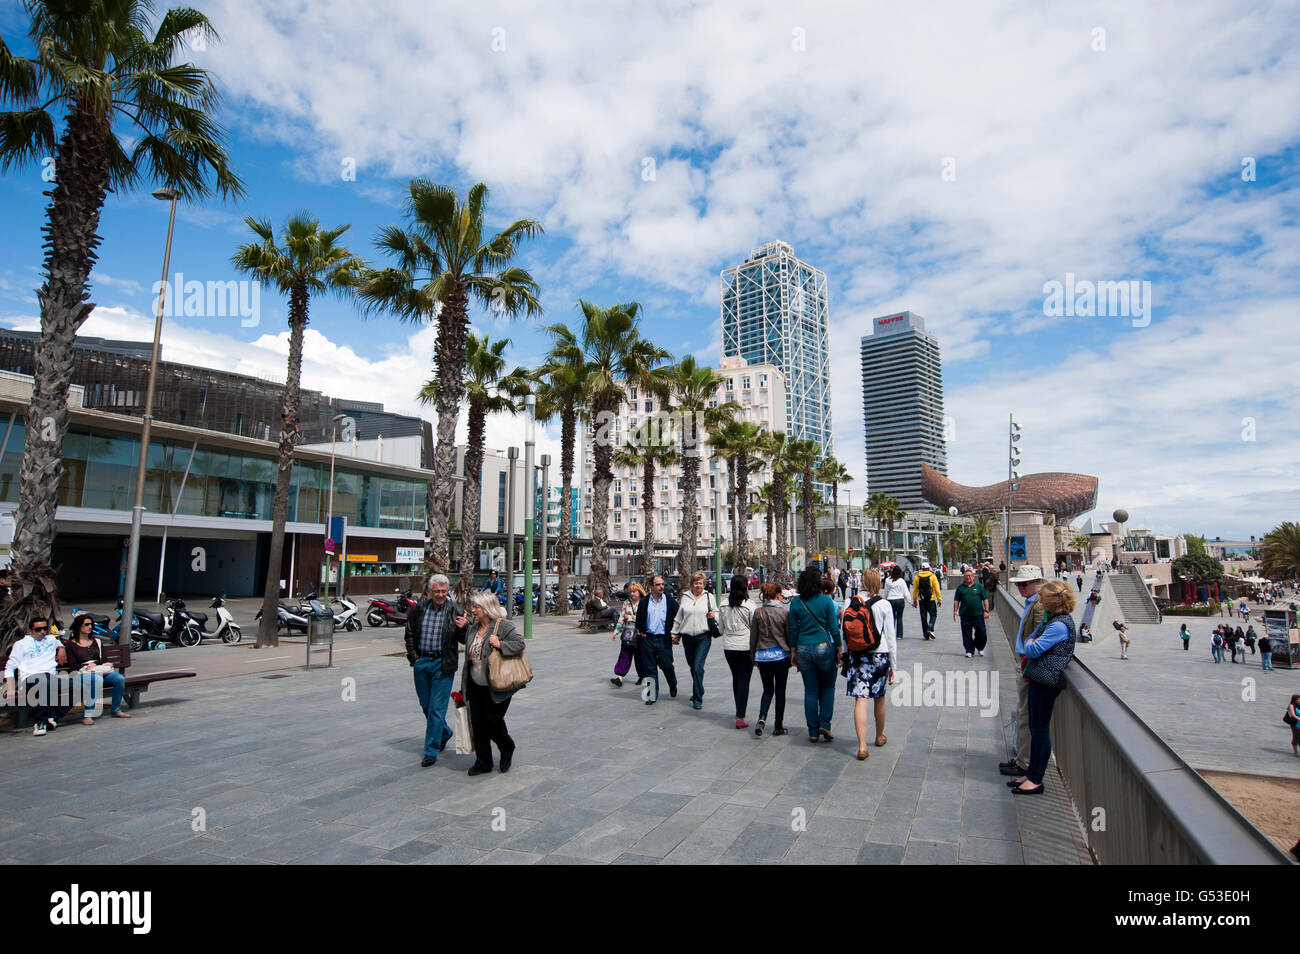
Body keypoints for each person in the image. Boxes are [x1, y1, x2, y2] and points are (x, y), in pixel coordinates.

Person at [1011, 581, 1077, 795]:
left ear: (1051, 600)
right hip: (1039, 678)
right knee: (1035, 727)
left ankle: (1036, 778)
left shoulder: (1058, 625)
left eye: (1043, 597)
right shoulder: (1052, 620)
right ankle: (1031, 773)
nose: (1040, 600)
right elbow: (1031, 638)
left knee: (1039, 731)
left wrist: (1032, 643)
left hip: (1045, 680)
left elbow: (1032, 647)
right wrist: (1033, 640)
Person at [459, 592, 526, 775]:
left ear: (487, 608)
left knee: (493, 721)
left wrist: (500, 644)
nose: (473, 610)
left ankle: (506, 746)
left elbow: (520, 644)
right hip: (475, 683)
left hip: (497, 684)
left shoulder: (502, 625)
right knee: (478, 724)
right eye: (473, 607)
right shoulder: (473, 628)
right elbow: (469, 653)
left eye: (476, 607)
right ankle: (483, 762)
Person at [403, 574, 466, 767]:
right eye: (437, 591)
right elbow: (410, 633)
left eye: (444, 591)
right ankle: (444, 732)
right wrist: (414, 657)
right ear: (430, 591)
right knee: (426, 705)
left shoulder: (455, 609)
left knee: (437, 709)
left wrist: (464, 628)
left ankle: (431, 750)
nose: (440, 594)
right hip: (422, 662)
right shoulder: (420, 608)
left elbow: (464, 639)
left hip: (443, 663)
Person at [842, 569, 897, 760]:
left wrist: (845, 655)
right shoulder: (884, 604)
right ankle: (879, 736)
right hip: (879, 655)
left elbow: (844, 632)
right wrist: (894, 665)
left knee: (860, 699)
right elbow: (891, 638)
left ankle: (862, 746)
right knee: (879, 698)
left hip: (857, 655)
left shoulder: (851, 602)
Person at [788, 566, 841, 743]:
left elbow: (793, 630)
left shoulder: (796, 602)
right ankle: (824, 723)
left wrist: (793, 651)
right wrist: (839, 649)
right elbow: (834, 628)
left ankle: (812, 730)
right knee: (828, 686)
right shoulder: (826, 601)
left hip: (803, 647)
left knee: (810, 690)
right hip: (824, 646)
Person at [1, 616, 69, 735]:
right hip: (31, 679)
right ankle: (40, 722)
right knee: (43, 681)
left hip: (49, 678)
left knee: (82, 685)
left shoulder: (51, 639)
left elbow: (58, 641)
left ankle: (53, 717)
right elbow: (9, 667)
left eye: (44, 629)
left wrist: (61, 647)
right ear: (30, 631)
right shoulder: (21, 644)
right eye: (38, 629)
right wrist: (11, 687)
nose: (42, 632)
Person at [64, 613, 130, 723]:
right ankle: (88, 715)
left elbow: (103, 659)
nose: (90, 627)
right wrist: (86, 666)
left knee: (119, 679)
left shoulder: (97, 642)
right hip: (81, 673)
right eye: (87, 624)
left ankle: (116, 709)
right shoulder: (71, 645)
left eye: (91, 624)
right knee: (97, 680)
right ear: (79, 626)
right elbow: (72, 666)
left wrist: (102, 664)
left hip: (98, 670)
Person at [749, 582, 791, 737]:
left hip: (763, 656)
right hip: (781, 656)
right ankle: (778, 725)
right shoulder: (784, 613)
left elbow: (753, 637)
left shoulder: (758, 612)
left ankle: (762, 717)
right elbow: (788, 636)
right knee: (780, 691)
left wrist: (753, 656)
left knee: (767, 690)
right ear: (777, 595)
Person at [672, 571, 717, 711]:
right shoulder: (685, 597)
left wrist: (713, 615)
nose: (699, 586)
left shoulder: (709, 597)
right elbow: (679, 617)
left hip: (703, 636)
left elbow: (717, 613)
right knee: (693, 667)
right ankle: (700, 689)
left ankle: (697, 698)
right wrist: (674, 633)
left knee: (698, 666)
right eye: (696, 583)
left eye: (701, 583)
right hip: (687, 637)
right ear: (692, 584)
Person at [635, 576, 679, 704]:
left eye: (662, 584)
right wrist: (642, 632)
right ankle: (652, 695)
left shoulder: (670, 601)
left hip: (663, 639)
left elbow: (678, 617)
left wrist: (676, 634)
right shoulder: (644, 602)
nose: (661, 587)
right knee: (650, 668)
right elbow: (639, 619)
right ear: (651, 587)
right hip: (648, 638)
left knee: (667, 665)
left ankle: (673, 683)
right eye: (658, 584)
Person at [719, 574, 755, 729]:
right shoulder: (750, 605)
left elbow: (720, 629)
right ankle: (740, 715)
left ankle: (738, 709)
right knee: (744, 679)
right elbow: (754, 628)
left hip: (729, 646)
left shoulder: (723, 604)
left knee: (736, 677)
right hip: (745, 646)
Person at [610, 582, 646, 688]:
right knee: (625, 654)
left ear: (639, 592)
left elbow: (644, 618)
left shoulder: (644, 602)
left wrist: (629, 617)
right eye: (630, 592)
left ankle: (642, 676)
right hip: (628, 632)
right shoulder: (626, 602)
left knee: (640, 656)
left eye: (634, 591)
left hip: (640, 633)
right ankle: (619, 677)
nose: (632, 594)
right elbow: (621, 617)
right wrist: (616, 631)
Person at [953, 567, 990, 658]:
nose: (968, 577)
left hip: (978, 614)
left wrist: (986, 610)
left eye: (969, 576)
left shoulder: (979, 587)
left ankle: (980, 647)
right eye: (966, 576)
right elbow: (956, 600)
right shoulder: (960, 588)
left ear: (973, 577)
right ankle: (969, 650)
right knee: (966, 633)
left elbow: (985, 599)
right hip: (965, 615)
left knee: (982, 632)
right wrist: (955, 611)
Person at [911, 561, 942, 640]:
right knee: (933, 615)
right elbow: (937, 589)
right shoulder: (932, 576)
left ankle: (925, 634)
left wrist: (914, 600)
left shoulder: (917, 577)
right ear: (928, 568)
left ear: (922, 568)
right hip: (930, 599)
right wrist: (939, 599)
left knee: (923, 617)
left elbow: (915, 590)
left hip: (921, 599)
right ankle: (930, 627)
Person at [883, 565, 908, 640]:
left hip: (891, 600)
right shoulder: (901, 581)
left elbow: (886, 591)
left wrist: (885, 599)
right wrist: (912, 602)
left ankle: (891, 633)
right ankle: (899, 635)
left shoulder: (888, 580)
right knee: (900, 617)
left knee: (892, 618)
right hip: (900, 599)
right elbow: (906, 593)